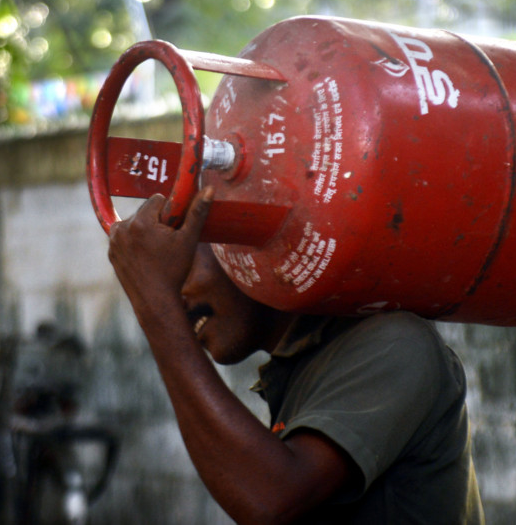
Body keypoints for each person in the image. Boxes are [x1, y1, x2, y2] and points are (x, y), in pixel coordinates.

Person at [107, 186, 484, 524]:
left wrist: (157, 308)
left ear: (241, 243)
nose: (177, 296)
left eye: (182, 266)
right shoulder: (302, 366)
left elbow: (271, 500)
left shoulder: (396, 344)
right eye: (164, 280)